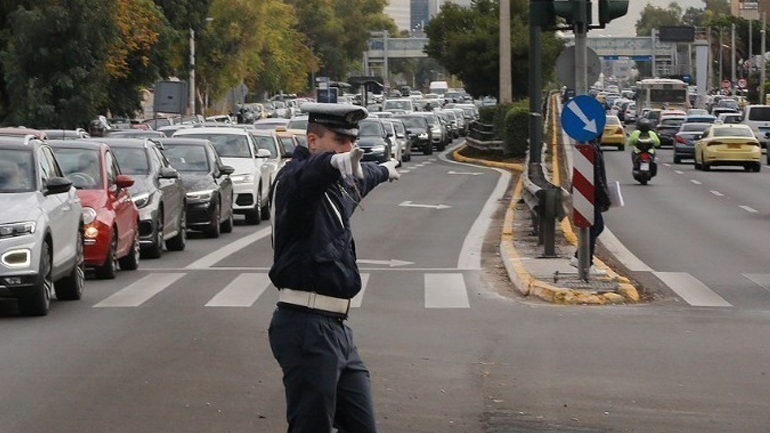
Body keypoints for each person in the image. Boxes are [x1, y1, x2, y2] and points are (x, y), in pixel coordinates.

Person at [268, 102, 400, 433]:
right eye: (340, 141)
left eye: (352, 142)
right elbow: (307, 176)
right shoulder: (294, 181)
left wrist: (383, 170)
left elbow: (362, 175)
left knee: (361, 425)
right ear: (313, 141)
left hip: (337, 328)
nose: (349, 149)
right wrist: (331, 163)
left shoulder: (340, 182)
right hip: (305, 325)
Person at [571, 138, 611, 272]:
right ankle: (584, 261)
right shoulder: (592, 148)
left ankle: (582, 259)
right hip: (590, 195)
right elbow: (597, 177)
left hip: (588, 193)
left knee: (595, 227)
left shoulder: (591, 146)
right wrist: (605, 198)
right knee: (595, 227)